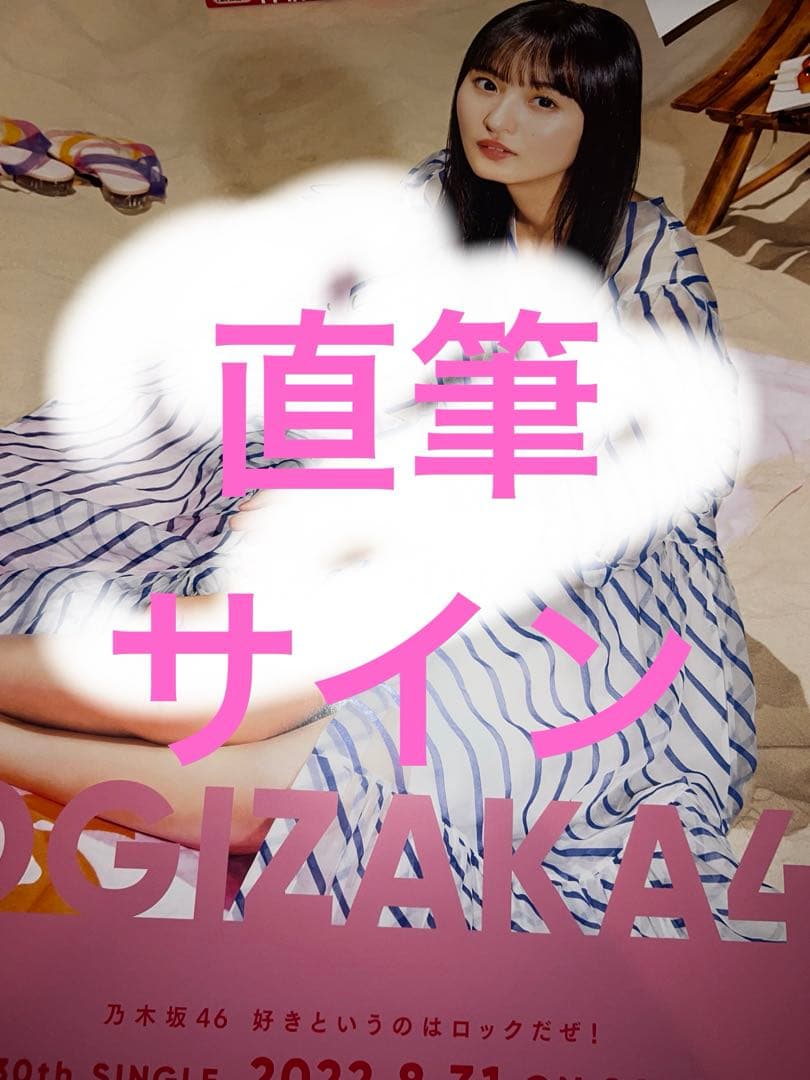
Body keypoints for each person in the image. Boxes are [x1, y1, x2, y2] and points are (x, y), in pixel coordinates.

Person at [0, 0, 760, 937]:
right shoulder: (433, 200)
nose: (498, 119)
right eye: (486, 84)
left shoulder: (645, 254)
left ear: (596, 121)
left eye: (542, 102)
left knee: (303, 792)